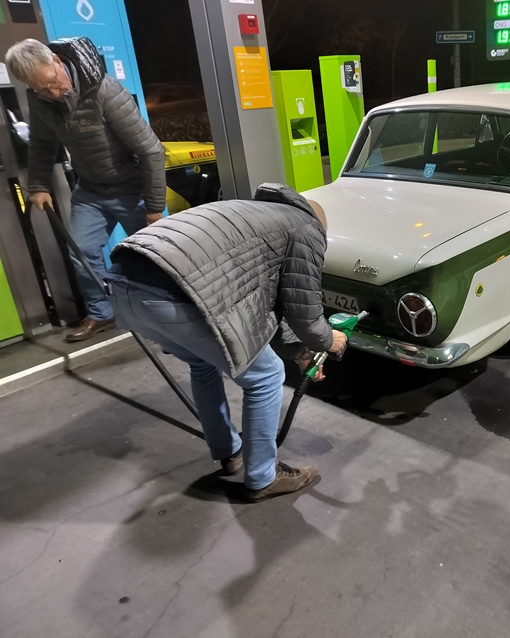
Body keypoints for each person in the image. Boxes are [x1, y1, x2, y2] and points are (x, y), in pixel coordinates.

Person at [105, 184, 347, 502]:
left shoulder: (258, 214)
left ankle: (229, 452)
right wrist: (328, 340)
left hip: (123, 285)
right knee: (266, 376)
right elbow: (304, 314)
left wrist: (302, 352)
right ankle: (262, 477)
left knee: (202, 364)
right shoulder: (307, 227)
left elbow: (265, 310)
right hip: (173, 293)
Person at [4, 37, 166, 342]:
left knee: (155, 255)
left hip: (133, 190)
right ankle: (102, 313)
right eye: (42, 89)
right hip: (91, 190)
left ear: (56, 60)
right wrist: (39, 185)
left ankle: (173, 313)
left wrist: (155, 206)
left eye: (53, 82)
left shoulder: (104, 90)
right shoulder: (41, 100)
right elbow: (42, 143)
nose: (53, 93)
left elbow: (151, 150)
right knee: (81, 252)